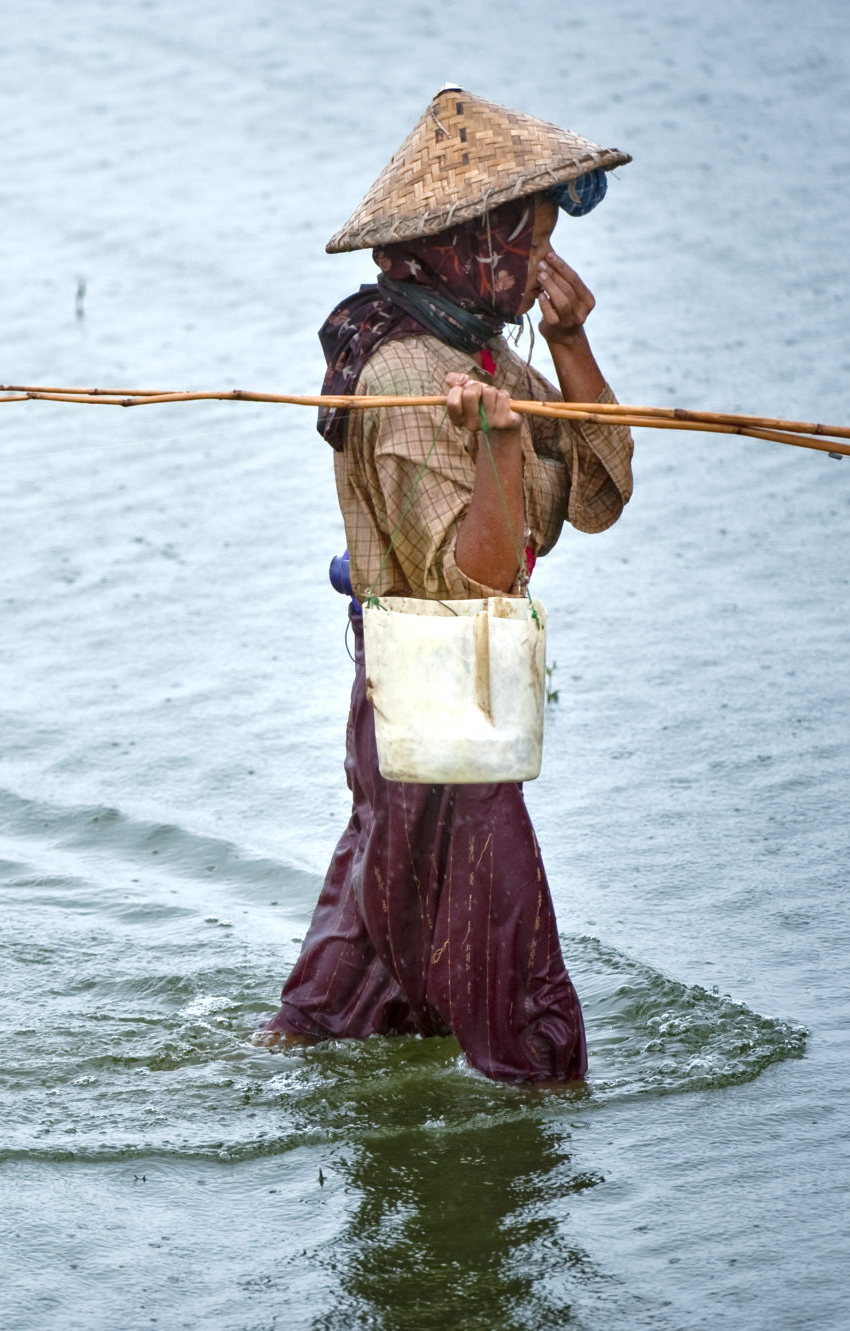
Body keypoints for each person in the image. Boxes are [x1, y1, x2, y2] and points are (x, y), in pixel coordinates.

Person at [258, 87, 636, 1082]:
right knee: (522, 1003)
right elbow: (467, 584)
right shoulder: (404, 377)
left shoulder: (482, 352)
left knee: (367, 969)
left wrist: (565, 341)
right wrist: (500, 448)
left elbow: (600, 496)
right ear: (468, 246)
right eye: (530, 249)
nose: (541, 267)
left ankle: (301, 1059)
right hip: (431, 697)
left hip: (436, 697)